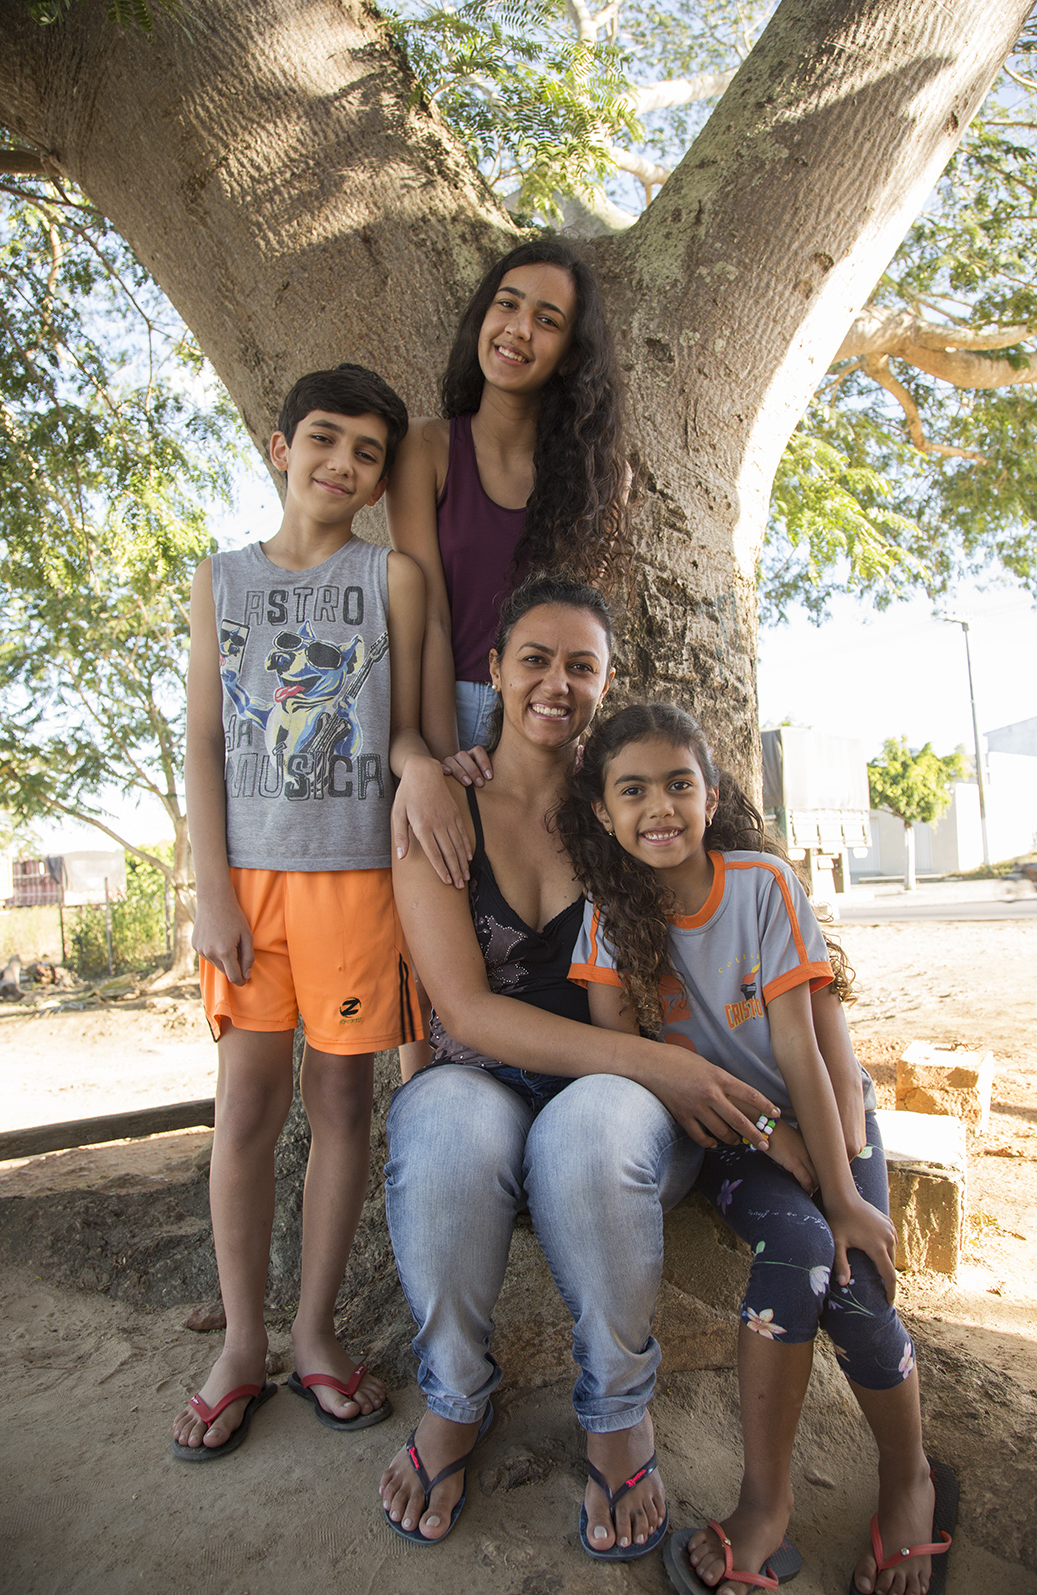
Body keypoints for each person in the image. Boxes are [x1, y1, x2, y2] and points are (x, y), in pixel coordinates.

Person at [378, 578, 779, 1558]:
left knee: (591, 1126)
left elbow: (754, 909)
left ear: (605, 684)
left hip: (619, 1106)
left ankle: (616, 1407)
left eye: (581, 665)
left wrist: (681, 1070)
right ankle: (456, 1398)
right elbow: (464, 1009)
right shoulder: (439, 806)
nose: (557, 682)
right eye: (535, 659)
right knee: (436, 1132)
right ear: (495, 671)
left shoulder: (632, 803)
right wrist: (653, 1062)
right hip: (480, 1074)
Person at [561, 703, 957, 1595]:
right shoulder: (606, 925)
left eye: (677, 784)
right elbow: (642, 1067)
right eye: (632, 790)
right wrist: (765, 1138)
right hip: (735, 1143)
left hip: (824, 1112)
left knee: (854, 1279)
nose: (658, 807)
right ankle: (765, 1504)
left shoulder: (760, 885)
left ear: (710, 794)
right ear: (601, 811)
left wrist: (850, 1189)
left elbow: (801, 1051)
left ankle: (911, 1480)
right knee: (802, 1250)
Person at [174, 364, 466, 1459]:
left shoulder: (391, 578)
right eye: (325, 440)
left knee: (341, 1102)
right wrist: (210, 890)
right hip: (249, 884)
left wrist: (419, 762)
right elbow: (204, 739)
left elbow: (403, 729)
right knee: (245, 1109)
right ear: (281, 447)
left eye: (367, 454)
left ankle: (313, 1330)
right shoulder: (219, 580)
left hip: (354, 880)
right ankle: (241, 1340)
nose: (342, 464)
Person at [387, 239, 629, 1077]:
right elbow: (422, 616)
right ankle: (428, 1093)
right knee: (421, 864)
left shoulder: (598, 474)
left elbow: (577, 632)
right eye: (507, 303)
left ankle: (590, 1064)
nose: (519, 329)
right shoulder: (424, 449)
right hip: (442, 698)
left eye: (547, 318)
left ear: (569, 353)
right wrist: (423, 755)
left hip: (541, 710)